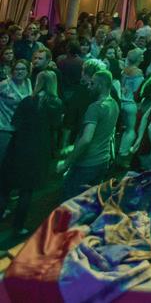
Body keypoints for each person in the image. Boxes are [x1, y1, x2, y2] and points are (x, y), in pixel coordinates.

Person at [0, 71, 62, 234]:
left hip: (18, 146)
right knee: (26, 190)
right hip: (39, 150)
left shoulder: (28, 101)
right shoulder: (56, 103)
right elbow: (56, 126)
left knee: (5, 187)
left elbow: (15, 122)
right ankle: (18, 227)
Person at [60, 69, 119, 197]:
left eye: (92, 84)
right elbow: (103, 133)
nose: (88, 87)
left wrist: (66, 163)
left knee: (70, 201)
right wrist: (73, 147)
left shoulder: (95, 108)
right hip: (103, 160)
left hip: (87, 163)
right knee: (89, 201)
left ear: (101, 85)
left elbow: (87, 139)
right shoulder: (114, 104)